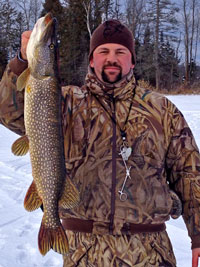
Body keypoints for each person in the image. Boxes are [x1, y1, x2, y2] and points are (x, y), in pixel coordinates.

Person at [0, 19, 200, 267]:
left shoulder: (162, 110)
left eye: (120, 52)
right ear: (92, 60)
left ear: (132, 60)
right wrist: (21, 61)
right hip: (83, 253)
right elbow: (9, 112)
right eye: (103, 51)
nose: (111, 58)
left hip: (152, 254)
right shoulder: (65, 102)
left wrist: (198, 233)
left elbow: (190, 173)